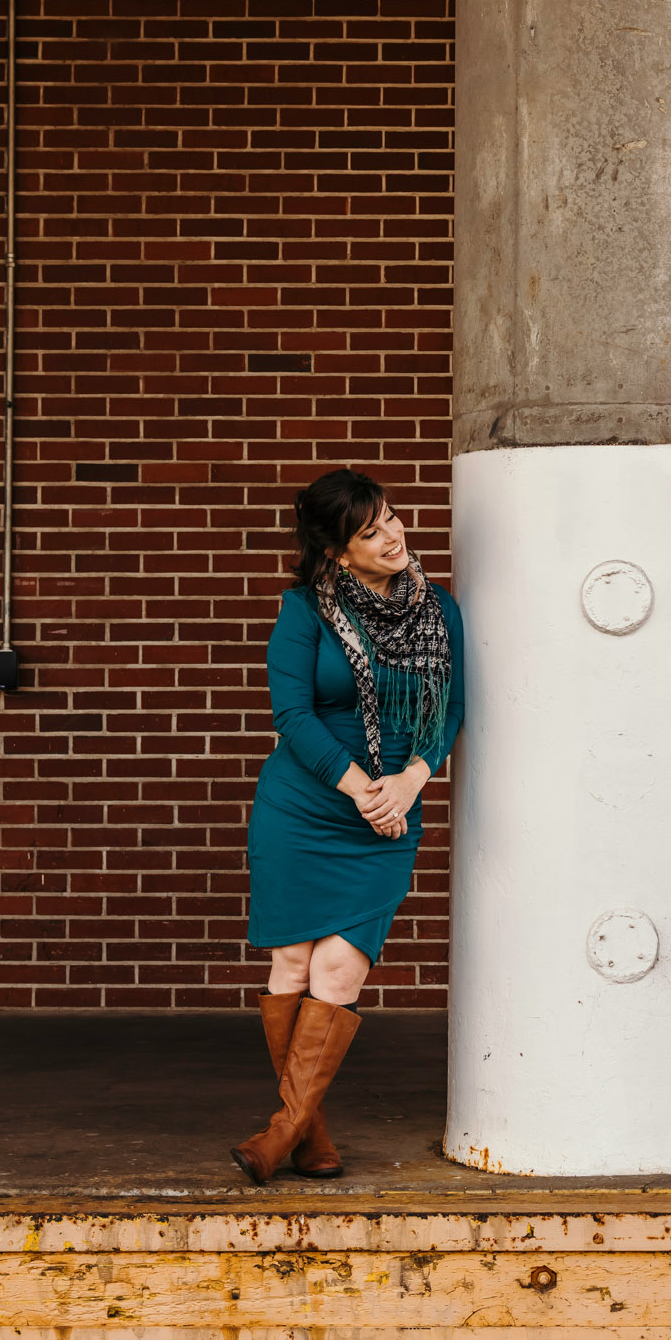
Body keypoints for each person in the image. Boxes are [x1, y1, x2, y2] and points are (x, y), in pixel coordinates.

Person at [232, 468, 464, 1185]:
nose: (392, 535)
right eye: (370, 532)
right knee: (293, 966)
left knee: (338, 968)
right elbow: (292, 715)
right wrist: (362, 786)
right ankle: (305, 1132)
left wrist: (408, 781)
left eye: (391, 518)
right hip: (305, 804)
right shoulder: (304, 611)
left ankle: (281, 1130)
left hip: (391, 806)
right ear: (336, 552)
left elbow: (450, 709)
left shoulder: (438, 609)